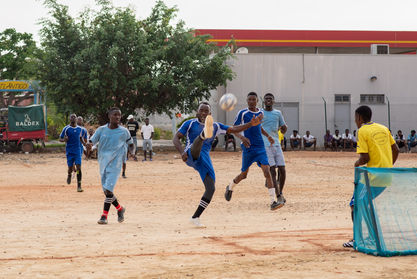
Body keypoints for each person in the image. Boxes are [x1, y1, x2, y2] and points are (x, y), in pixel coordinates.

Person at [173, 102, 263, 227]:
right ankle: (203, 135)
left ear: (210, 114)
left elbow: (233, 129)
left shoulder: (216, 126)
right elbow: (176, 138)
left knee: (211, 188)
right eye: (201, 111)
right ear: (197, 112)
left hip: (204, 157)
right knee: (196, 145)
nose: (204, 113)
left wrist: (250, 124)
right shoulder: (189, 123)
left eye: (206, 111)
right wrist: (182, 152)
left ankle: (195, 217)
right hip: (190, 154)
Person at [343, 105, 399, 248]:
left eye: (355, 118)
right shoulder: (383, 128)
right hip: (386, 176)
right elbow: (396, 150)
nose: (355, 121)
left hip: (372, 178)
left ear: (360, 118)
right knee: (363, 204)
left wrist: (356, 164)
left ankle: (360, 238)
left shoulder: (362, 131)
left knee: (355, 205)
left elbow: (365, 158)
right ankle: (370, 237)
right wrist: (387, 166)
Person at [224, 92, 282, 211]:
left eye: (253, 99)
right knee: (244, 175)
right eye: (249, 99)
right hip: (248, 148)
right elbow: (234, 129)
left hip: (260, 147)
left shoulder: (260, 112)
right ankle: (230, 187)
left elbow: (259, 127)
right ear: (247, 101)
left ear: (257, 101)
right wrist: (242, 137)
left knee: (267, 171)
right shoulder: (243, 113)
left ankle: (273, 202)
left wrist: (268, 136)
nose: (251, 101)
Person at [87, 107, 136, 225]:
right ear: (109, 116)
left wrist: (132, 152)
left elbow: (131, 144)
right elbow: (91, 141)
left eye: (119, 115)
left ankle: (104, 216)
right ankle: (120, 209)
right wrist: (88, 145)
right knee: (107, 192)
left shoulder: (124, 131)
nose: (118, 117)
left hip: (116, 164)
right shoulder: (101, 130)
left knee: (108, 189)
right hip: (103, 163)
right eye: (115, 115)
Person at [261, 93, 287, 205]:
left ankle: (280, 191)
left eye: (270, 99)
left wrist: (284, 128)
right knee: (272, 171)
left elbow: (283, 127)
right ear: (263, 101)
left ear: (273, 101)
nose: (268, 100)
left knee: (282, 170)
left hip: (277, 144)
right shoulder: (260, 113)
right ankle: (278, 196)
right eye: (266, 98)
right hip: (265, 145)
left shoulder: (278, 113)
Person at [59, 114, 86, 192]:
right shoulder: (66, 129)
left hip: (77, 151)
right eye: (72, 117)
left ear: (77, 119)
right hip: (69, 151)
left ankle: (79, 186)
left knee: (78, 168)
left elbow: (81, 138)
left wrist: (85, 144)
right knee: (70, 168)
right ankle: (69, 174)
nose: (73, 118)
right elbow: (60, 139)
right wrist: (64, 140)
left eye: (75, 117)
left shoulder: (80, 129)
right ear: (70, 119)